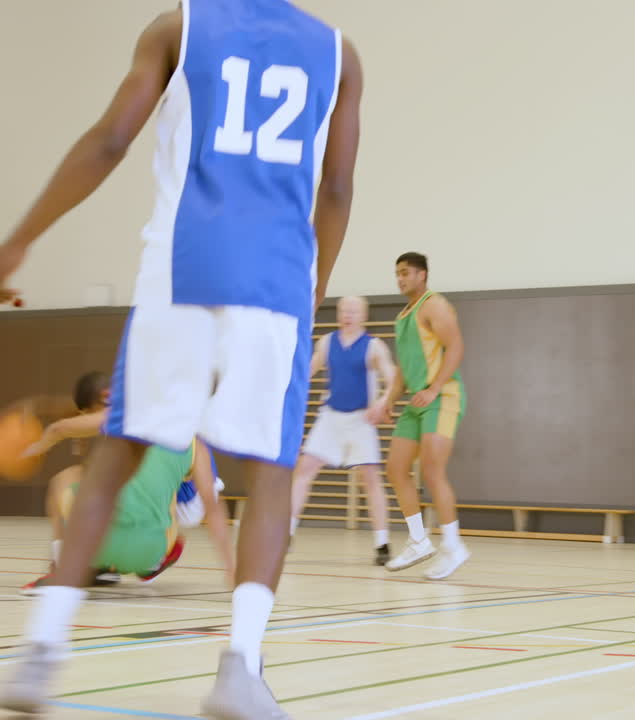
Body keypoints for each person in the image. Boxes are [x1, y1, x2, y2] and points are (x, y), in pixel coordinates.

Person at [0, 0, 363, 716]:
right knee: (268, 475)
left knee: (117, 454)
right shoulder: (339, 54)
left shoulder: (177, 27)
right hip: (277, 283)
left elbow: (109, 142)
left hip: (182, 268)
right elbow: (340, 190)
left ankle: (43, 651)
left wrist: (20, 240)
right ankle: (241, 668)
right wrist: (308, 291)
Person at [16, 371, 231, 593]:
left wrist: (39, 444)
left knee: (95, 478)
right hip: (197, 481)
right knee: (134, 481)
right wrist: (39, 404)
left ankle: (66, 567)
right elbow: (70, 413)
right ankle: (140, 559)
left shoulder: (125, 414)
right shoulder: (138, 402)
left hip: (191, 494)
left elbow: (64, 425)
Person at [368, 252, 470, 580]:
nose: (400, 279)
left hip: (443, 396)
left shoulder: (434, 305)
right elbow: (402, 368)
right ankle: (418, 541)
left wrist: (436, 387)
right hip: (416, 401)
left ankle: (454, 546)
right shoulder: (403, 316)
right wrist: (388, 398)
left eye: (406, 273)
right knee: (396, 468)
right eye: (397, 273)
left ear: (422, 275)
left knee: (432, 469)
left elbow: (456, 347)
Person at [289, 295, 396, 565]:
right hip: (331, 417)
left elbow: (392, 378)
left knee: (370, 478)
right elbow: (309, 371)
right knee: (304, 470)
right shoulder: (326, 342)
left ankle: (382, 543)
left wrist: (383, 401)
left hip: (361, 420)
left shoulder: (374, 346)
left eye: (353, 310)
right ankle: (287, 533)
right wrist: (287, 388)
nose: (347, 314)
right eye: (343, 309)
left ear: (364, 315)